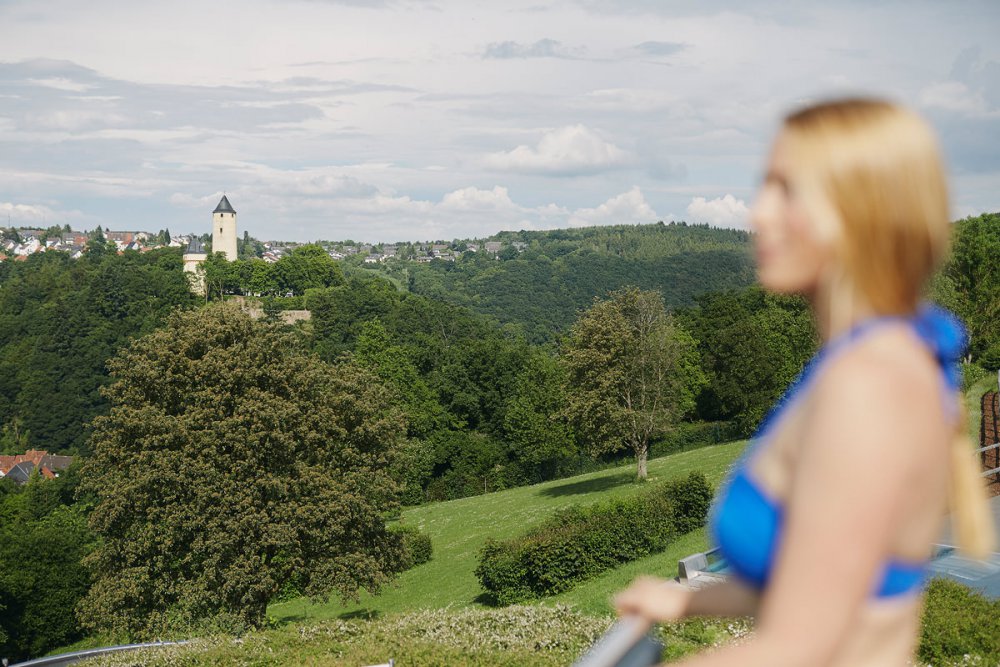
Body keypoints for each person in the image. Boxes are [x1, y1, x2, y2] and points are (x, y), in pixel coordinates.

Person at [613, 98, 996, 666]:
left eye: (786, 190)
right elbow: (827, 581)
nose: (758, 213)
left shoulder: (868, 385)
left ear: (861, 213)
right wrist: (682, 603)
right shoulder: (880, 357)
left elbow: (806, 643)